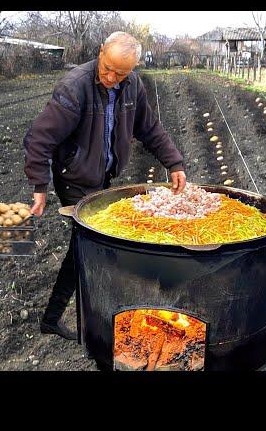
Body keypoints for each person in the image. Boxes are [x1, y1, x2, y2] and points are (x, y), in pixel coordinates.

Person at [24, 32, 187, 341]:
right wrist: (40, 185)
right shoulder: (75, 87)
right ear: (100, 52)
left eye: (121, 73)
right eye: (107, 67)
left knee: (87, 248)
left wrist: (174, 163)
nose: (111, 77)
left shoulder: (132, 86)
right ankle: (88, 318)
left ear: (133, 69)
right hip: (74, 176)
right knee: (91, 245)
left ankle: (60, 317)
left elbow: (149, 128)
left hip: (102, 176)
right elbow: (40, 138)